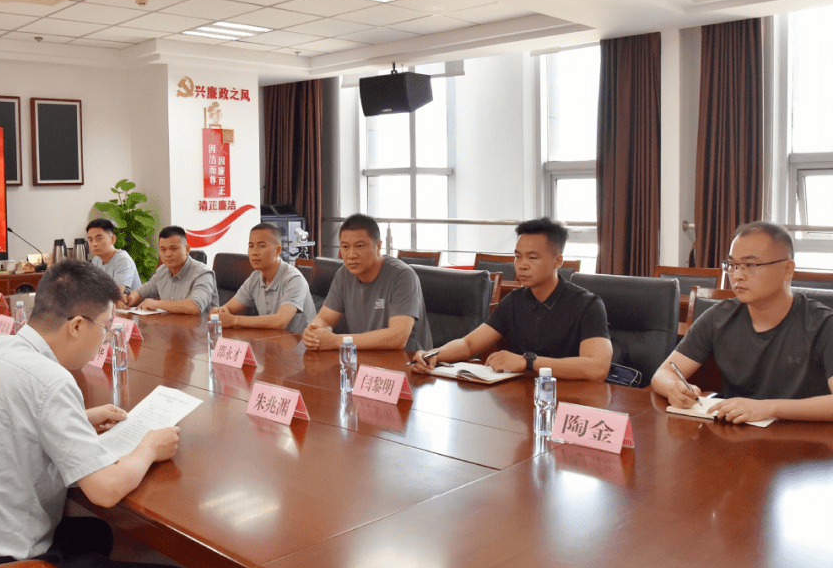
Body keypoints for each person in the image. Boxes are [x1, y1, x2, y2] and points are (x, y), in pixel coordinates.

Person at [0, 259, 194, 568]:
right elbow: (104, 491)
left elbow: (10, 418)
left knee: (95, 534)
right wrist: (149, 448)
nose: (105, 338)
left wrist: (78, 419)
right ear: (76, 326)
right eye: (105, 327)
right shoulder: (50, 380)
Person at [651, 221, 833, 423]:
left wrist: (770, 408)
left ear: (787, 269)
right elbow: (663, 373)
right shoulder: (719, 317)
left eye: (751, 265)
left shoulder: (823, 324)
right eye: (732, 265)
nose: (737, 276)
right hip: (737, 435)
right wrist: (674, 388)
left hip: (804, 437)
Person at [411, 217, 612, 380]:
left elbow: (597, 368)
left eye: (532, 258)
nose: (522, 265)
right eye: (517, 256)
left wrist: (528, 362)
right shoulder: (514, 301)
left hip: (571, 400)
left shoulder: (587, 305)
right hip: (522, 397)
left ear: (557, 261)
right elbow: (469, 345)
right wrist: (433, 354)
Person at [303, 213, 431, 352]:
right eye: (345, 247)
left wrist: (338, 341)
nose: (351, 255)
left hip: (407, 360)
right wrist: (313, 332)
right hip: (364, 357)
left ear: (378, 246)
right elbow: (325, 319)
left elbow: (398, 337)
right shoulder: (344, 274)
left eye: (359, 246)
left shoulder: (402, 276)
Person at [210, 222, 317, 333]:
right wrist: (219, 311)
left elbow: (280, 321)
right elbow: (228, 308)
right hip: (270, 339)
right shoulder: (255, 277)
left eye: (261, 246)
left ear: (277, 250)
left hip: (301, 341)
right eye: (251, 246)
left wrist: (234, 320)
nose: (254, 252)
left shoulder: (293, 279)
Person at [125, 225, 218, 315]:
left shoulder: (203, 273)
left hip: (202, 325)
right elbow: (141, 292)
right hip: (170, 324)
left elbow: (195, 306)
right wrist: (128, 299)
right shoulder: (162, 271)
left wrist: (157, 304)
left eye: (173, 249)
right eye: (163, 250)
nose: (168, 254)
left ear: (186, 249)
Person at [86, 217, 141, 294]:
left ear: (113, 239)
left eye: (99, 238)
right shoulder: (96, 260)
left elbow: (116, 294)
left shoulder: (123, 260)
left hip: (129, 302)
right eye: (90, 239)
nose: (94, 244)